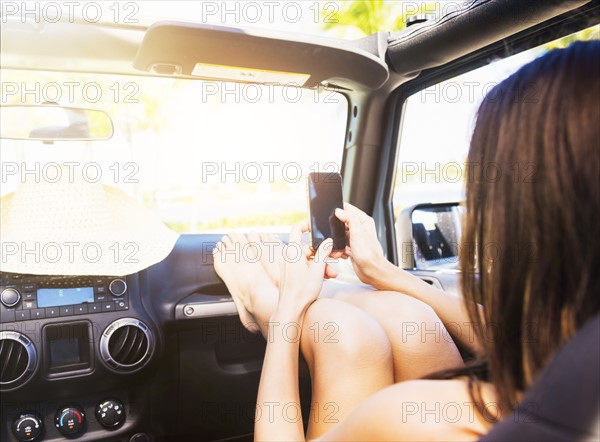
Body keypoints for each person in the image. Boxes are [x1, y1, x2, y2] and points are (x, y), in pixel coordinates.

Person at [213, 40, 599, 441]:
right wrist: (383, 272)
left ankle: (263, 296)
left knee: (342, 329)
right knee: (409, 319)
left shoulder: (417, 419)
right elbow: (529, 339)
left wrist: (286, 314)